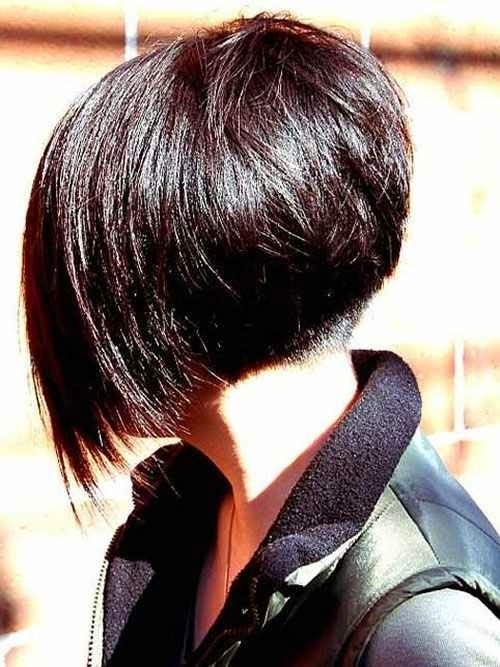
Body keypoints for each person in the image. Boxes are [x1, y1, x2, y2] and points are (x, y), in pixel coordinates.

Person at [21, 12, 499, 667]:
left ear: (196, 285)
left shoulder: (423, 632)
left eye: (86, 280)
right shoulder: (186, 517)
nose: (71, 324)